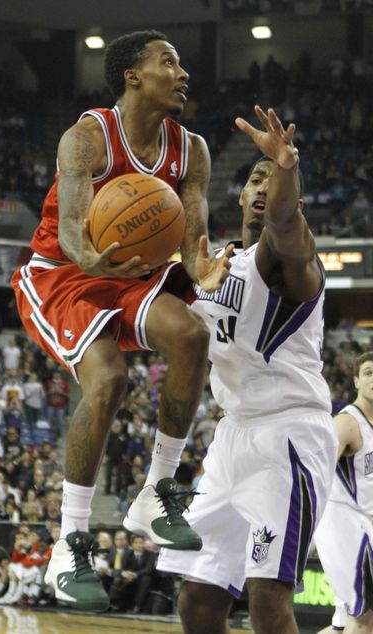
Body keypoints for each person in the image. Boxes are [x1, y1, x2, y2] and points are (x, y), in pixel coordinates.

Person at [11, 29, 231, 612]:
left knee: (192, 333)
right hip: (64, 272)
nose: (182, 72)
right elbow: (71, 234)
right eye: (169, 62)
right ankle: (69, 541)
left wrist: (199, 268)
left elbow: (190, 238)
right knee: (107, 378)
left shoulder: (193, 149)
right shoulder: (87, 136)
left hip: (133, 272)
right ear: (133, 76)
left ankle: (157, 493)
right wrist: (92, 258)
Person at [157, 106, 339, 634]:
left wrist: (283, 164)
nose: (262, 188)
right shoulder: (211, 265)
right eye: (254, 178)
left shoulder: (291, 260)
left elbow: (282, 220)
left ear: (296, 205)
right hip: (232, 438)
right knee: (197, 597)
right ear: (238, 196)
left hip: (289, 436)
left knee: (266, 595)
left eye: (272, 182)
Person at [314, 351, 373, 634]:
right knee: (364, 620)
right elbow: (318, 474)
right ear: (356, 381)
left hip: (364, 525)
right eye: (368, 373)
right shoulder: (347, 423)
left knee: (343, 624)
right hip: (342, 525)